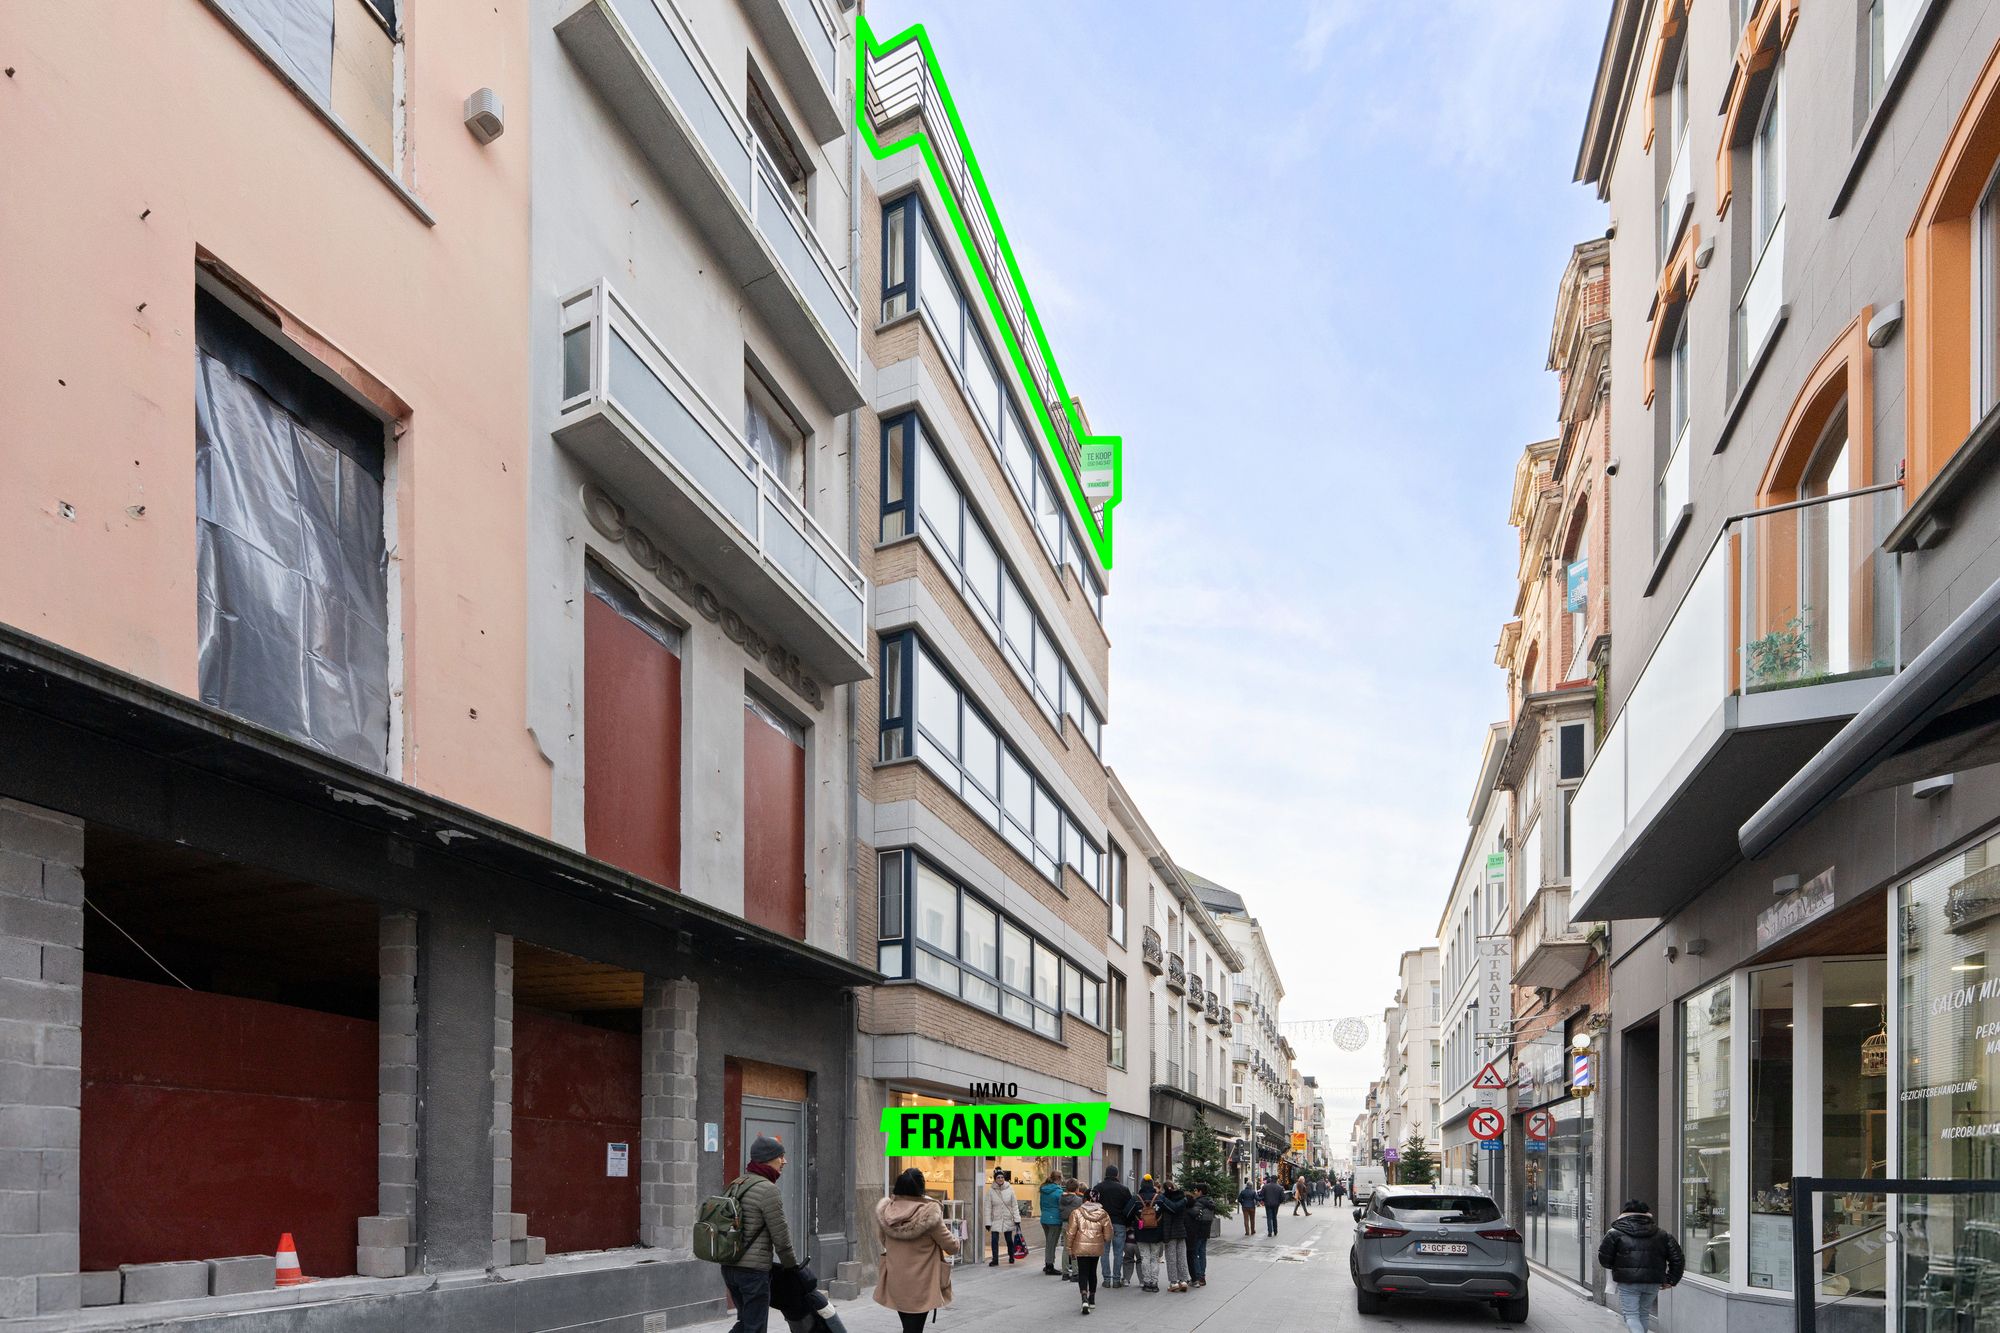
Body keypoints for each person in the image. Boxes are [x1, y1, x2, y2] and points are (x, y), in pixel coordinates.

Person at [720, 1135, 798, 1333]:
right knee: (755, 1327)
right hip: (753, 1273)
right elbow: (781, 1237)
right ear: (768, 1158)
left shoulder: (736, 1183)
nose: (784, 1161)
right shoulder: (768, 1190)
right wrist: (792, 1268)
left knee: (746, 1323)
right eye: (781, 1156)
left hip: (730, 1267)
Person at [873, 1168, 960, 1333]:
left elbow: (883, 1240)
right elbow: (952, 1247)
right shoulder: (930, 1215)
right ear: (921, 1187)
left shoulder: (886, 1212)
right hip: (922, 1285)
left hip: (896, 1280)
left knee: (909, 1328)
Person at [1599, 1200, 1685, 1333]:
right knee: (1643, 1314)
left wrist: (1618, 1267)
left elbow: (1604, 1258)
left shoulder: (1614, 1233)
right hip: (1653, 1281)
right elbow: (1677, 1259)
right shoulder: (1663, 1234)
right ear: (1647, 1215)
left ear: (1624, 1214)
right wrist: (1671, 1280)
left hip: (1628, 1282)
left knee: (1631, 1315)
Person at [1063, 1188, 1112, 1314]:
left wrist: (1069, 1248)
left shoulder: (1076, 1213)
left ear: (1084, 1198)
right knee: (1093, 1272)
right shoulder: (1103, 1214)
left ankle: (1084, 1298)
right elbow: (1108, 1236)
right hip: (1096, 1247)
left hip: (1080, 1247)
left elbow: (1071, 1233)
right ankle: (1092, 1299)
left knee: (1083, 1272)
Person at [1096, 1166, 1133, 1288]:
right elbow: (1129, 1208)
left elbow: (1093, 1206)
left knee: (1104, 1252)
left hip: (1103, 1223)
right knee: (1118, 1252)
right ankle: (1116, 1279)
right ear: (1117, 1175)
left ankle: (1106, 1279)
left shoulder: (1098, 1188)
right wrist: (1128, 1224)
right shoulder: (1124, 1189)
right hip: (1119, 1223)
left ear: (1106, 1174)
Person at [1130, 1178, 1165, 1291]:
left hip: (1141, 1233)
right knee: (1154, 1258)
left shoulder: (1136, 1198)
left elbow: (1126, 1212)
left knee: (1145, 1257)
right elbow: (1170, 1209)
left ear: (1141, 1185)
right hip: (1156, 1233)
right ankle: (1154, 1283)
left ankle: (1147, 1282)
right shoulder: (1159, 1198)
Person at [1156, 1179, 1190, 1292]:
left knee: (1171, 1258)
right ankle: (1184, 1280)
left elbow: (1160, 1213)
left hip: (1169, 1233)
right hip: (1181, 1231)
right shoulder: (1182, 1198)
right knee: (1182, 1257)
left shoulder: (1164, 1200)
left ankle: (1174, 1282)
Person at [982, 1168, 1018, 1266]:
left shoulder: (1010, 1189)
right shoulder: (990, 1191)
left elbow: (1014, 1205)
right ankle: (995, 1259)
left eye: (1002, 1177)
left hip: (1007, 1218)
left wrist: (1017, 1219)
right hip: (996, 1219)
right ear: (995, 1179)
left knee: (1009, 1240)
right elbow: (988, 1208)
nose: (1000, 1179)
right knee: (994, 1240)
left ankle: (1011, 1256)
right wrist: (988, 1222)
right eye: (998, 1177)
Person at [1184, 1183, 1216, 1288]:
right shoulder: (1210, 1201)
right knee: (1202, 1253)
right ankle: (1202, 1276)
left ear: (1200, 1192)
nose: (1194, 1192)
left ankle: (1197, 1276)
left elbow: (1195, 1215)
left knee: (1194, 1254)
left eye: (1196, 1190)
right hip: (1206, 1231)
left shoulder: (1198, 1203)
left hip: (1197, 1231)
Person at [1058, 1178, 1087, 1280]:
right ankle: (1075, 1273)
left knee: (1066, 1248)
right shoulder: (1079, 1200)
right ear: (1076, 1188)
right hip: (1075, 1225)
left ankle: (1065, 1273)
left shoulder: (1061, 1198)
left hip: (1065, 1224)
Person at [1039, 1174, 1065, 1275]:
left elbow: (1041, 1205)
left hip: (1044, 1219)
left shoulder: (1044, 1189)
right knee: (1052, 1244)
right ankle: (1050, 1266)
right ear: (1058, 1179)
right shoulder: (1059, 1191)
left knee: (1049, 1243)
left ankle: (1048, 1264)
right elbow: (1061, 1206)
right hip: (1054, 1220)